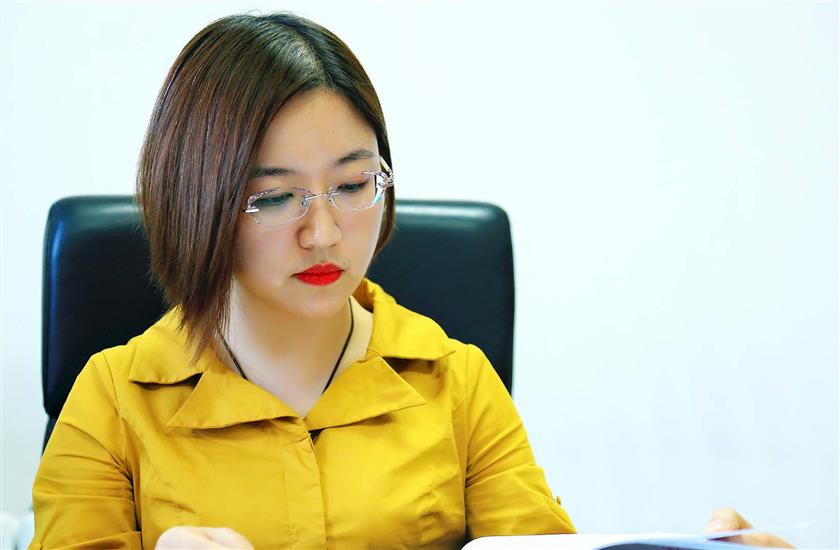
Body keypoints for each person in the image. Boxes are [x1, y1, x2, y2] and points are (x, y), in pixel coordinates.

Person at [29, 12, 792, 550]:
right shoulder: (112, 402)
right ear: (197, 201)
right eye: (275, 197)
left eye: (353, 184)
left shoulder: (457, 384)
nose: (324, 232)